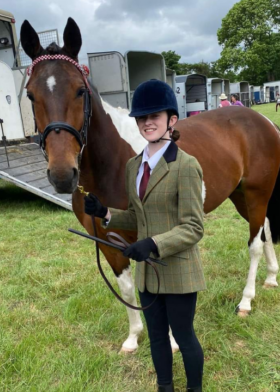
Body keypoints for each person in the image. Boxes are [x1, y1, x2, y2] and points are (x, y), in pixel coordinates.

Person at [83, 79, 205, 392]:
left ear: (171, 120)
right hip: (147, 276)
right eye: (142, 117)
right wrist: (105, 213)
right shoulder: (133, 166)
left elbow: (193, 227)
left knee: (184, 336)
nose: (147, 122)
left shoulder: (186, 166)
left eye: (155, 116)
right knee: (155, 337)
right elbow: (138, 216)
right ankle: (165, 387)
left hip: (178, 271)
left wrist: (151, 244)